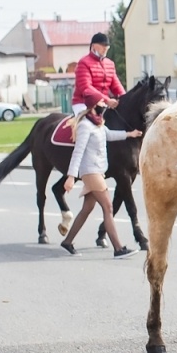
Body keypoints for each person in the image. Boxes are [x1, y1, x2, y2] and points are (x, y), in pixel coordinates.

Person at [59, 102, 142, 257]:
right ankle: (118, 249)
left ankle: (67, 242)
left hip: (97, 170)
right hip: (91, 172)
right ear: (92, 106)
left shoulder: (97, 123)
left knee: (87, 209)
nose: (104, 105)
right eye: (101, 102)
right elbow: (78, 152)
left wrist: (130, 134)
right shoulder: (85, 126)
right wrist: (71, 177)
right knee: (108, 207)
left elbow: (109, 135)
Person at [73, 32, 124, 115]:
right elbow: (86, 88)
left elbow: (116, 86)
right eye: (102, 45)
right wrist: (107, 100)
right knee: (86, 123)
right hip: (83, 103)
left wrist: (125, 98)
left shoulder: (110, 64)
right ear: (93, 46)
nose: (105, 48)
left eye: (107, 46)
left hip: (102, 104)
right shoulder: (83, 63)